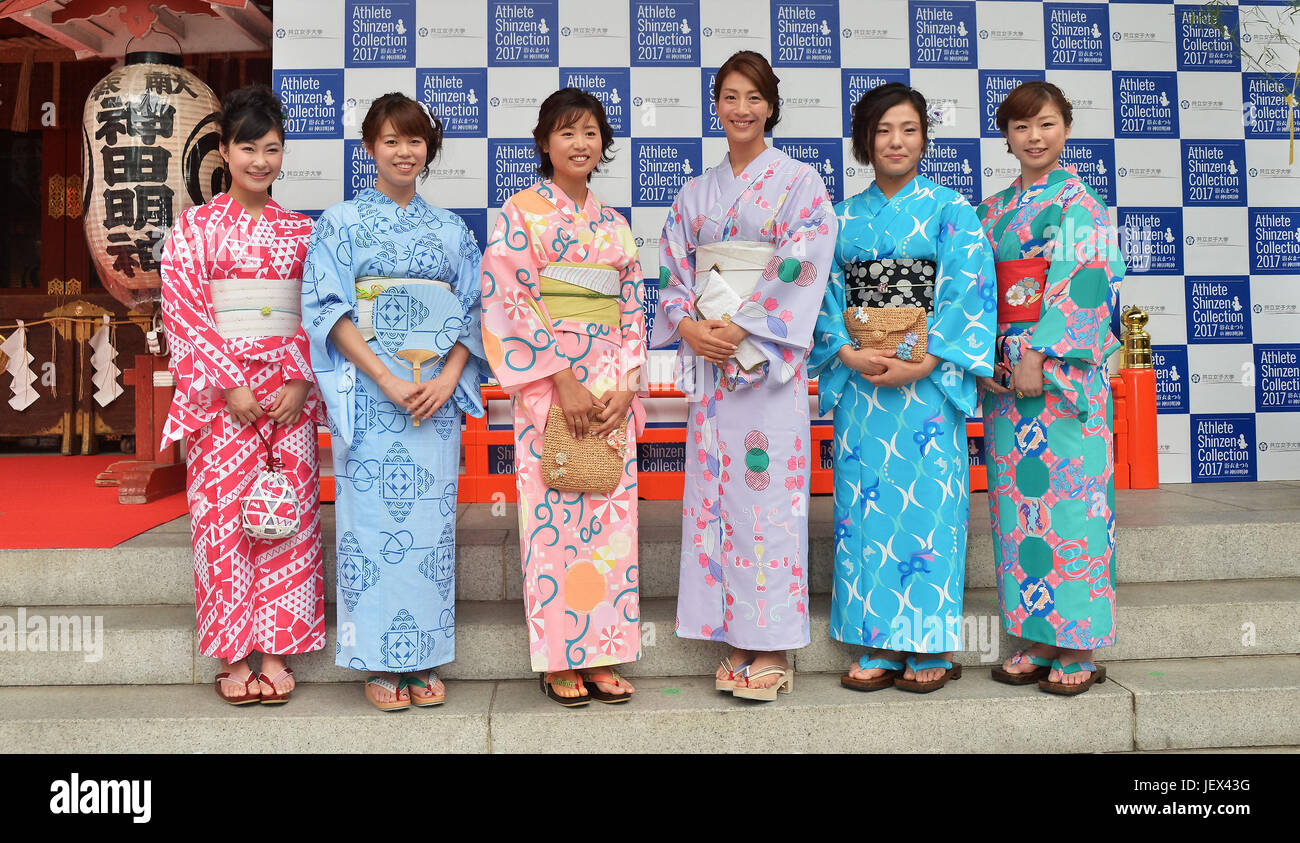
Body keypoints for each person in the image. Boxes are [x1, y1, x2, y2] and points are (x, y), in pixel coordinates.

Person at [650, 51, 837, 701]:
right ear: (716, 105)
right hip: (712, 368)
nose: (741, 108)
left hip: (765, 370)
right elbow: (674, 277)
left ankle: (774, 643)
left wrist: (746, 323)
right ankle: (736, 636)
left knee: (769, 505)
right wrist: (689, 325)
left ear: (771, 107)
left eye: (753, 97)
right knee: (718, 504)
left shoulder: (800, 183)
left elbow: (803, 262)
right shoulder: (694, 193)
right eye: (729, 96)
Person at [301, 93, 489, 711]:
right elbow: (329, 308)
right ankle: (381, 661)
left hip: (433, 396)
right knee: (373, 524)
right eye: (391, 141)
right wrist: (384, 378)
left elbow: (473, 313)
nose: (404, 152)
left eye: (414, 141)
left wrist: (447, 378)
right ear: (370, 150)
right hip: (374, 393)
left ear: (427, 150)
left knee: (430, 527)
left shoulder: (452, 230)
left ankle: (425, 656)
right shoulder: (341, 223)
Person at [810, 83, 997, 694]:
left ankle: (928, 644)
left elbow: (967, 290)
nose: (896, 141)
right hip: (862, 384)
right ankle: (877, 643)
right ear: (866, 140)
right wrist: (844, 349)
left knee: (930, 510)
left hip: (926, 387)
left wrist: (926, 361)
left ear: (924, 138)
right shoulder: (839, 218)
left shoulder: (951, 210)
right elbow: (819, 293)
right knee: (863, 513)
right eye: (884, 130)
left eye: (909, 129)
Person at [159, 84, 325, 705]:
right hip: (223, 402)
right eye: (247, 148)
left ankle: (277, 649)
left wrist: (298, 377)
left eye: (272, 149)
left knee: (288, 521)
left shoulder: (304, 231)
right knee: (223, 524)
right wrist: (229, 384)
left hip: (287, 397)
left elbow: (318, 310)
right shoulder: (195, 229)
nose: (260, 160)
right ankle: (234, 652)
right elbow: (184, 311)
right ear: (224, 152)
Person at [480, 88, 645, 707]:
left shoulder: (615, 226)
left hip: (608, 391)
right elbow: (508, 302)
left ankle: (603, 652)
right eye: (566, 133)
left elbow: (631, 312)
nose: (580, 144)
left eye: (591, 134)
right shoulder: (520, 214)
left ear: (603, 145)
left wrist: (626, 385)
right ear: (544, 142)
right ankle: (560, 659)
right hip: (551, 389)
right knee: (554, 521)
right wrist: (562, 381)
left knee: (609, 526)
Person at [976, 81, 1124, 696]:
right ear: (1006, 136)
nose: (1033, 138)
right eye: (1020, 127)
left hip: (1061, 380)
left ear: (1066, 128)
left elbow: (1086, 283)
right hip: (1007, 380)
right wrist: (984, 355)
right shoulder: (989, 212)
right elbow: (980, 294)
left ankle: (1079, 644)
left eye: (1045, 124)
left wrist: (1038, 349)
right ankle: (1036, 636)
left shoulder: (1081, 204)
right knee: (1019, 513)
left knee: (1071, 510)